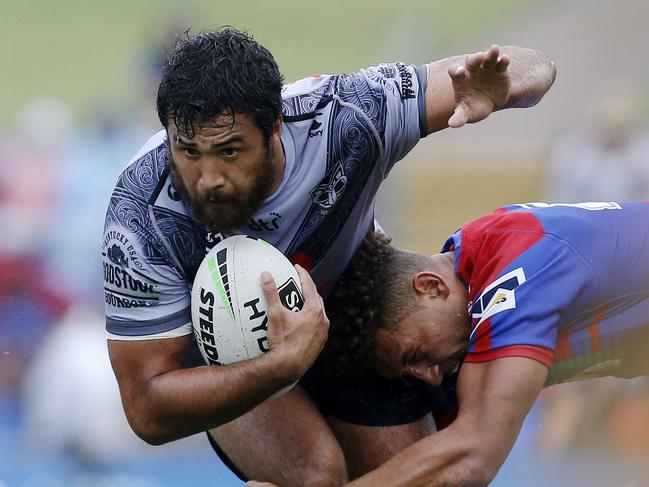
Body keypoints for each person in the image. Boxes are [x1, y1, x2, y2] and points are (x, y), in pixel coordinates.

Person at [102, 27, 556, 485]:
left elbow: (533, 66)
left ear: (275, 126)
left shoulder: (349, 115)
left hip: (351, 320)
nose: (208, 178)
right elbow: (147, 410)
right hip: (231, 354)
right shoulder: (140, 213)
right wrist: (281, 365)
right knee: (316, 477)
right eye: (189, 152)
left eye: (229, 150)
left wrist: (510, 82)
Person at [305, 201, 649, 487]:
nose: (428, 375)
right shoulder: (477, 271)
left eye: (414, 355)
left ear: (430, 287)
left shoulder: (512, 275)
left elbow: (471, 458)